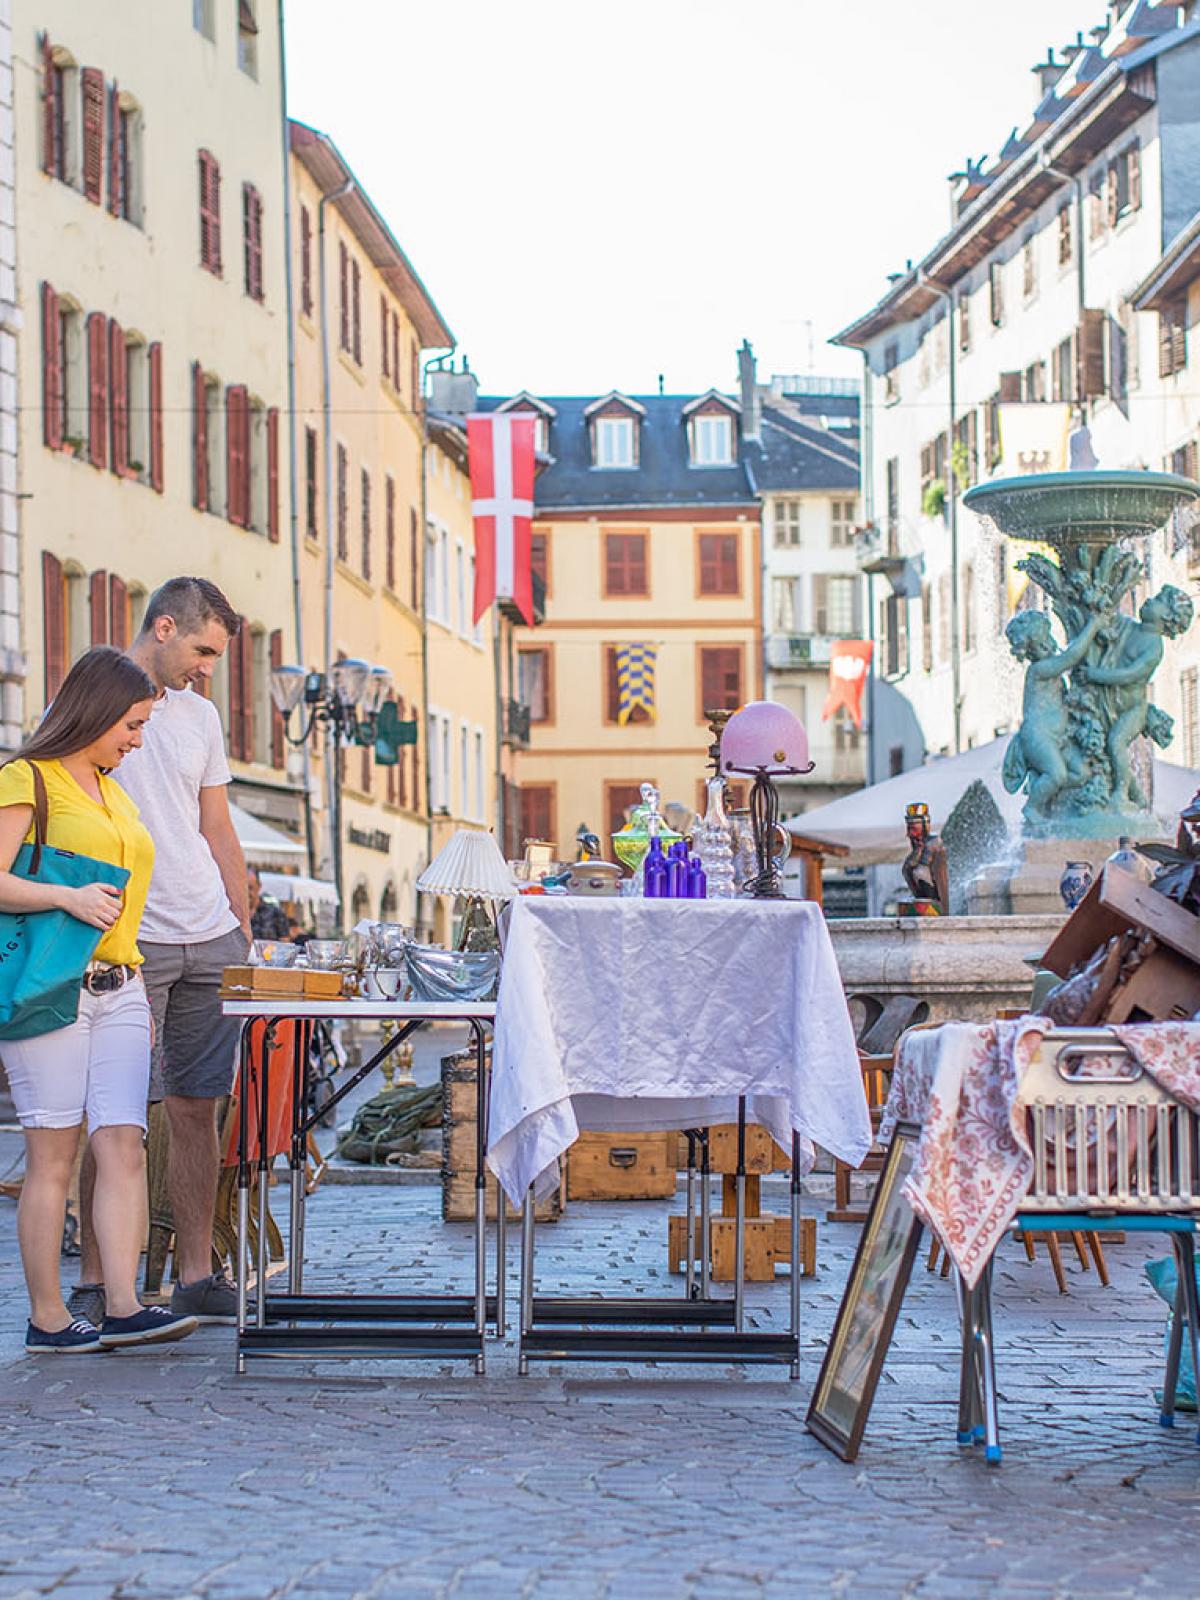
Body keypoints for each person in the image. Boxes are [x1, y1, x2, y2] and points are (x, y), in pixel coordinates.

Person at [0, 648, 199, 1351]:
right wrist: (66, 897)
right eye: (132, 725)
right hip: (50, 989)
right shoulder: (27, 778)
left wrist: (136, 986)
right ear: (97, 710)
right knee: (53, 1155)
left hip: (121, 988)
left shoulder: (114, 792)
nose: (137, 741)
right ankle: (48, 1319)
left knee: (123, 1145)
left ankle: (123, 1305)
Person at [70, 578, 250, 1327]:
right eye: (203, 651)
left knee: (198, 1107)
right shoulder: (98, 698)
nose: (208, 668)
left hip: (208, 932)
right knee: (116, 1113)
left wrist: (243, 926)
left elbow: (217, 824)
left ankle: (196, 1275)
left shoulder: (201, 716)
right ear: (165, 627)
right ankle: (95, 1278)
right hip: (129, 936)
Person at [248, 867, 290, 940]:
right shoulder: (233, 914)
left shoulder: (276, 913)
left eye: (250, 888)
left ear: (259, 886)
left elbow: (284, 943)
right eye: (243, 888)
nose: (246, 892)